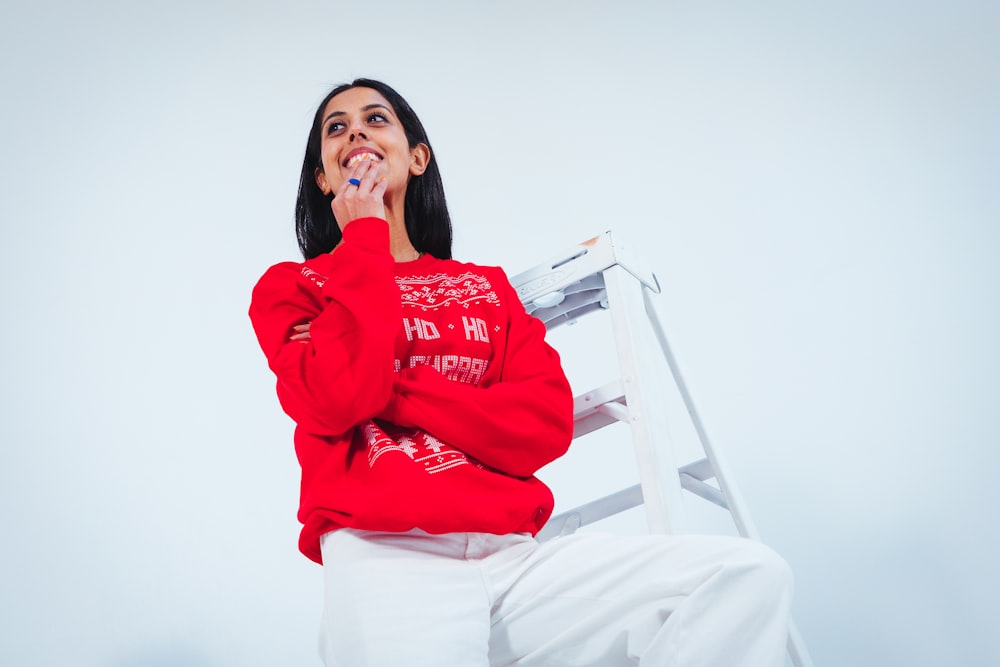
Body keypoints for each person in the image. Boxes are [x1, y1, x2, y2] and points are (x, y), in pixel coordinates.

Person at [249, 78, 793, 666]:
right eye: (336, 127)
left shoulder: (486, 288)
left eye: (376, 118)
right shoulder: (297, 287)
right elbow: (335, 397)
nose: (355, 130)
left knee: (742, 576)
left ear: (417, 157)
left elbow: (542, 424)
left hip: (515, 558)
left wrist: (393, 389)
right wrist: (363, 236)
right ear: (325, 178)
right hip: (386, 556)